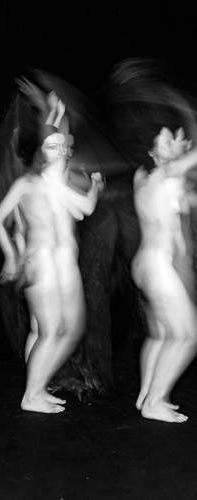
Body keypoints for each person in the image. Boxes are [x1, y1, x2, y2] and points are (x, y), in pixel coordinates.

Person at [0, 79, 104, 413]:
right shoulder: (28, 183)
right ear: (42, 151)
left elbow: (84, 208)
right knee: (50, 331)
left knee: (67, 330)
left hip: (65, 262)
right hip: (40, 261)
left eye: (63, 147)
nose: (59, 149)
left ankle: (38, 386)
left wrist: (94, 188)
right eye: (51, 146)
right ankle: (32, 394)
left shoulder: (61, 184)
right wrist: (10, 256)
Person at [132, 127, 197, 423]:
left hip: (144, 263)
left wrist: (180, 149)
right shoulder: (168, 173)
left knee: (160, 335)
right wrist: (184, 150)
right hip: (158, 265)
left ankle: (147, 394)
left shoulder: (143, 179)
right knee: (187, 336)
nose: (173, 142)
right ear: (153, 153)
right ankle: (155, 402)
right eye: (166, 140)